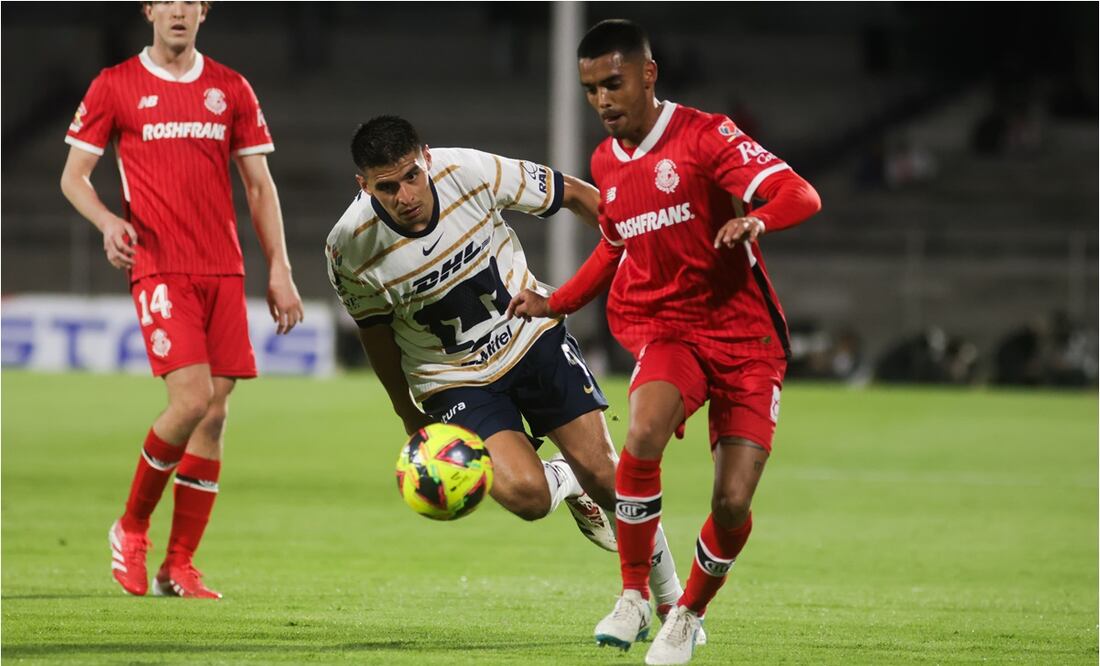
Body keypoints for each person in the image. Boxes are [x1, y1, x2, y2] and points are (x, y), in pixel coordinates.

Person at [508, 19, 822, 664]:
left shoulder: (706, 137)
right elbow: (615, 245)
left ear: (648, 74)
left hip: (746, 340)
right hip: (669, 331)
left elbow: (800, 192)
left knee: (731, 502)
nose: (601, 101)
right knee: (641, 436)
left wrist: (758, 217)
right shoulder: (603, 162)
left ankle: (689, 613)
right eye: (591, 89)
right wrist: (555, 302)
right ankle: (633, 596)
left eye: (612, 84)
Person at [324, 115, 690, 619]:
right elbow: (376, 333)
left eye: (411, 175)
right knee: (528, 498)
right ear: (363, 185)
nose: (405, 194)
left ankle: (674, 606)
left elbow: (577, 195)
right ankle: (564, 478)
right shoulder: (349, 246)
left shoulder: (470, 171)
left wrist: (649, 253)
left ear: (426, 157)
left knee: (610, 479)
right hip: (452, 377)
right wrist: (407, 414)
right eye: (387, 186)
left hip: (529, 334)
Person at [60, 1, 304, 599]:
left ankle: (179, 564)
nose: (177, 11)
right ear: (148, 10)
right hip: (159, 265)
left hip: (221, 268)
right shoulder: (115, 85)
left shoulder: (230, 88)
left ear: (204, 11)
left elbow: (258, 184)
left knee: (215, 416)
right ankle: (131, 527)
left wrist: (280, 269)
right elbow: (74, 176)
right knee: (191, 398)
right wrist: (107, 222)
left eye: (188, 0)